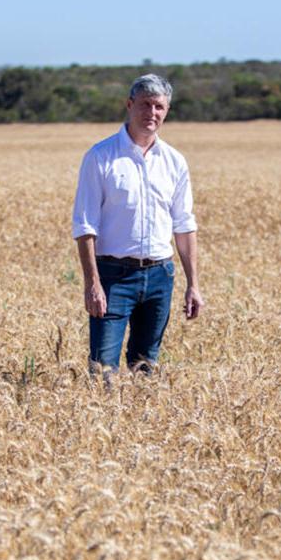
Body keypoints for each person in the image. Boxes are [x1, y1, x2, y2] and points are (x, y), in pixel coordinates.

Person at [71, 74, 204, 380]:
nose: (152, 113)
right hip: (113, 277)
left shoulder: (174, 161)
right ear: (129, 105)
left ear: (166, 111)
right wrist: (93, 282)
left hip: (160, 276)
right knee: (103, 370)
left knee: (146, 369)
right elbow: (85, 225)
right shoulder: (100, 157)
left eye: (159, 107)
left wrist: (193, 284)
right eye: (145, 104)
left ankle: (138, 424)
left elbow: (184, 225)